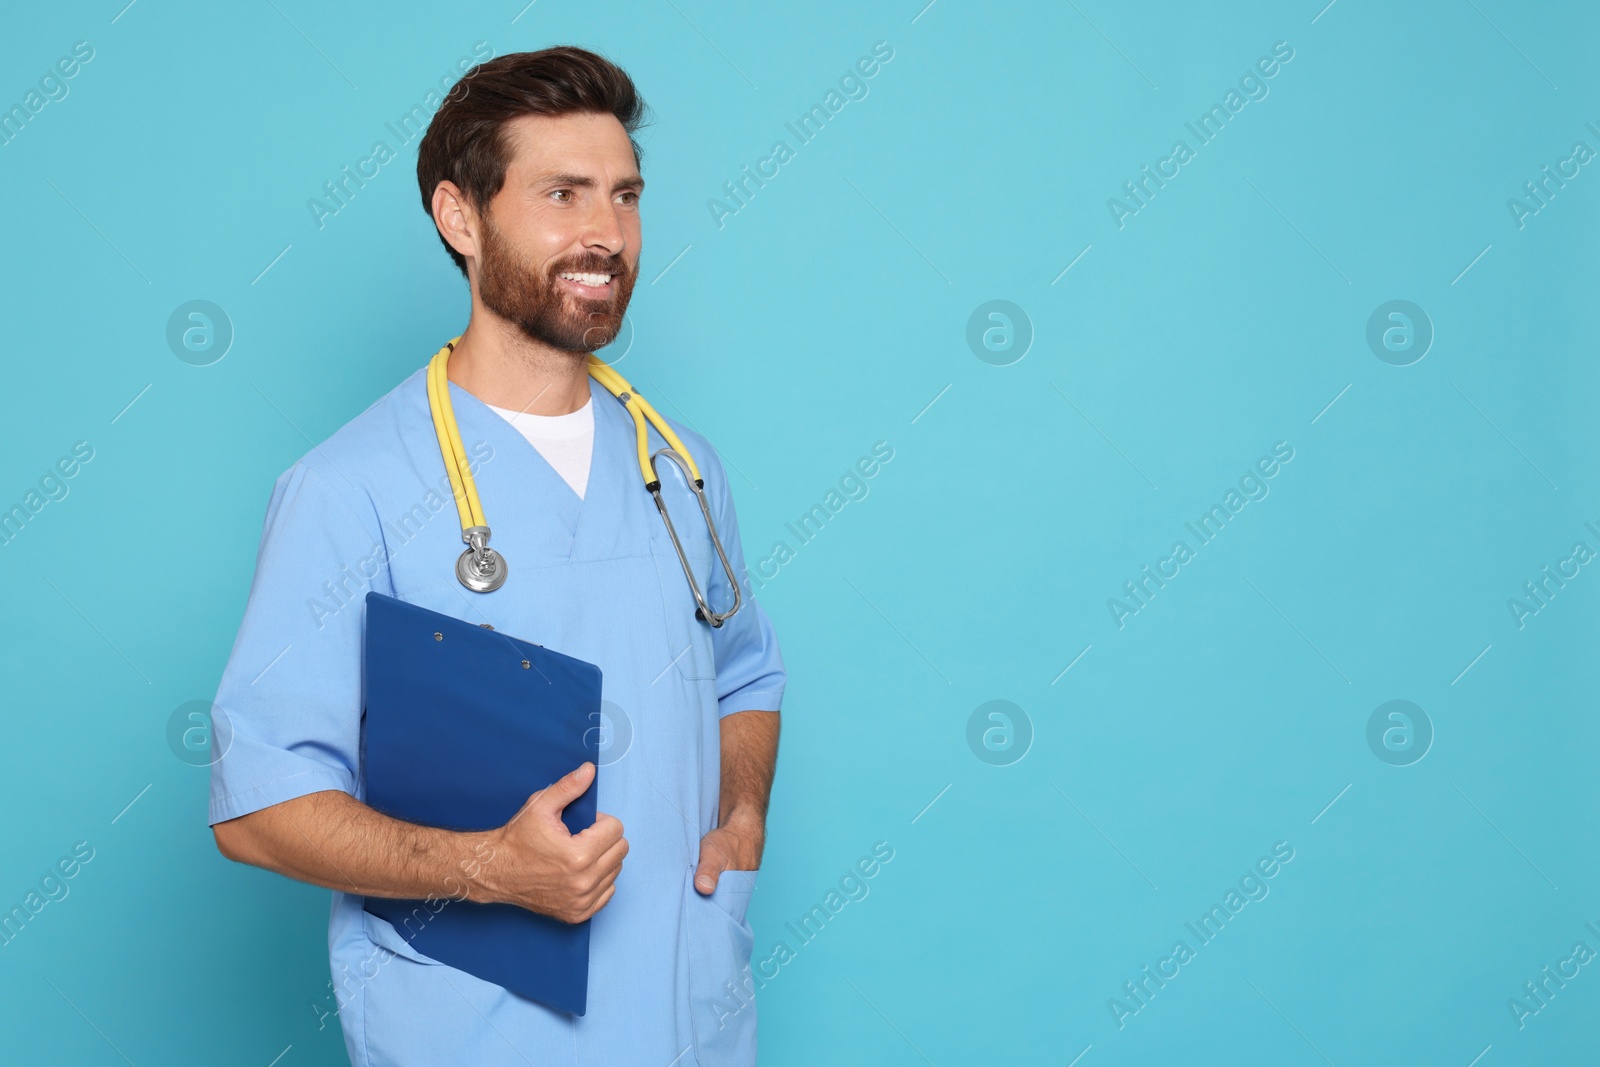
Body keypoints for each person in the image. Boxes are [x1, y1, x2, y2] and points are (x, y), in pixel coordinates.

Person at [207, 46, 785, 1067]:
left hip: (688, 1021)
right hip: (476, 1033)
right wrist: (487, 868)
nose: (605, 233)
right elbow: (259, 806)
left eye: (624, 195)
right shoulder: (350, 490)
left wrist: (740, 819)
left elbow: (746, 669)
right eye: (562, 194)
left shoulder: (682, 468)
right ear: (461, 218)